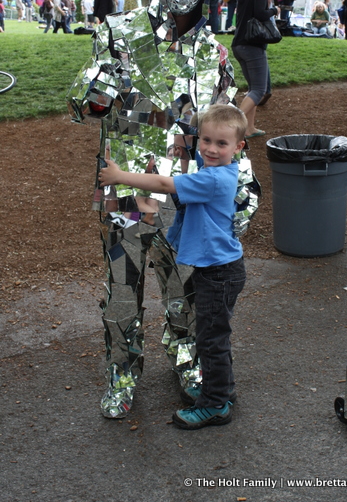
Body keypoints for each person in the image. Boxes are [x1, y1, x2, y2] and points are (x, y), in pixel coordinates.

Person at [66, 0, 259, 421]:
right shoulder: (120, 31)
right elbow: (78, 106)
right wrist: (102, 83)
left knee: (187, 288)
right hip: (127, 186)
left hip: (187, 194)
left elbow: (230, 123)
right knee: (123, 287)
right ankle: (122, 371)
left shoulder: (211, 52)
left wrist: (244, 178)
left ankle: (187, 358)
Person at [99, 104, 247, 429]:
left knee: (208, 334)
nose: (209, 148)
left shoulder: (213, 178)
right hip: (141, 217)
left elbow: (168, 186)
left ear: (237, 147)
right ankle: (219, 391)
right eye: (205, 140)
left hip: (216, 270)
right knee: (210, 332)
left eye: (220, 144)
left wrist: (119, 176)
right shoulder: (215, 169)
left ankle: (214, 402)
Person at [232, 0, 279, 138]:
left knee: (253, 88)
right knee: (259, 89)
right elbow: (260, 14)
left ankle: (249, 128)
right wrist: (274, 10)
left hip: (239, 44)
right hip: (252, 45)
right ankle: (232, 123)